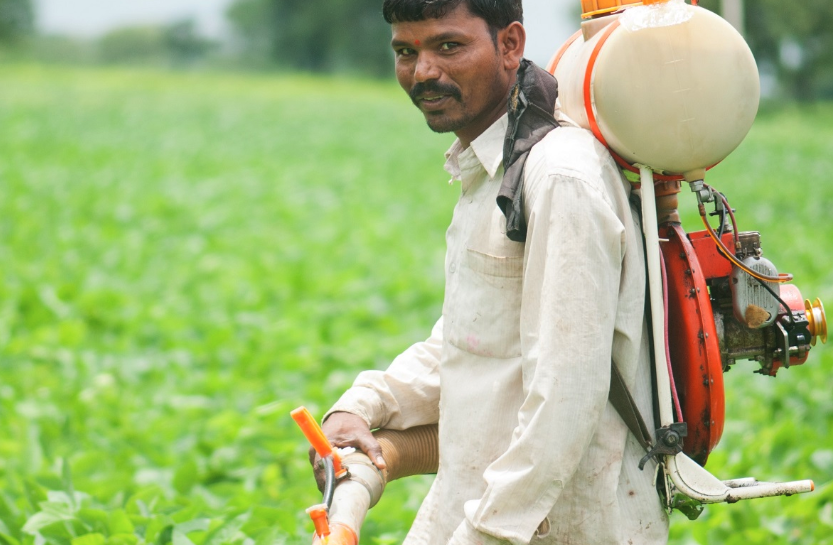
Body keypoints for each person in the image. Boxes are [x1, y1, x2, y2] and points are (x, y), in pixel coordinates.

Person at [316, 0, 669, 543]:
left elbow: (566, 395)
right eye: (406, 51)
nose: (423, 71)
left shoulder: (558, 178)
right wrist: (364, 406)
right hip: (480, 503)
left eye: (448, 46)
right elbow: (473, 342)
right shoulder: (495, 165)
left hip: (551, 525)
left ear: (510, 44)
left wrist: (485, 533)